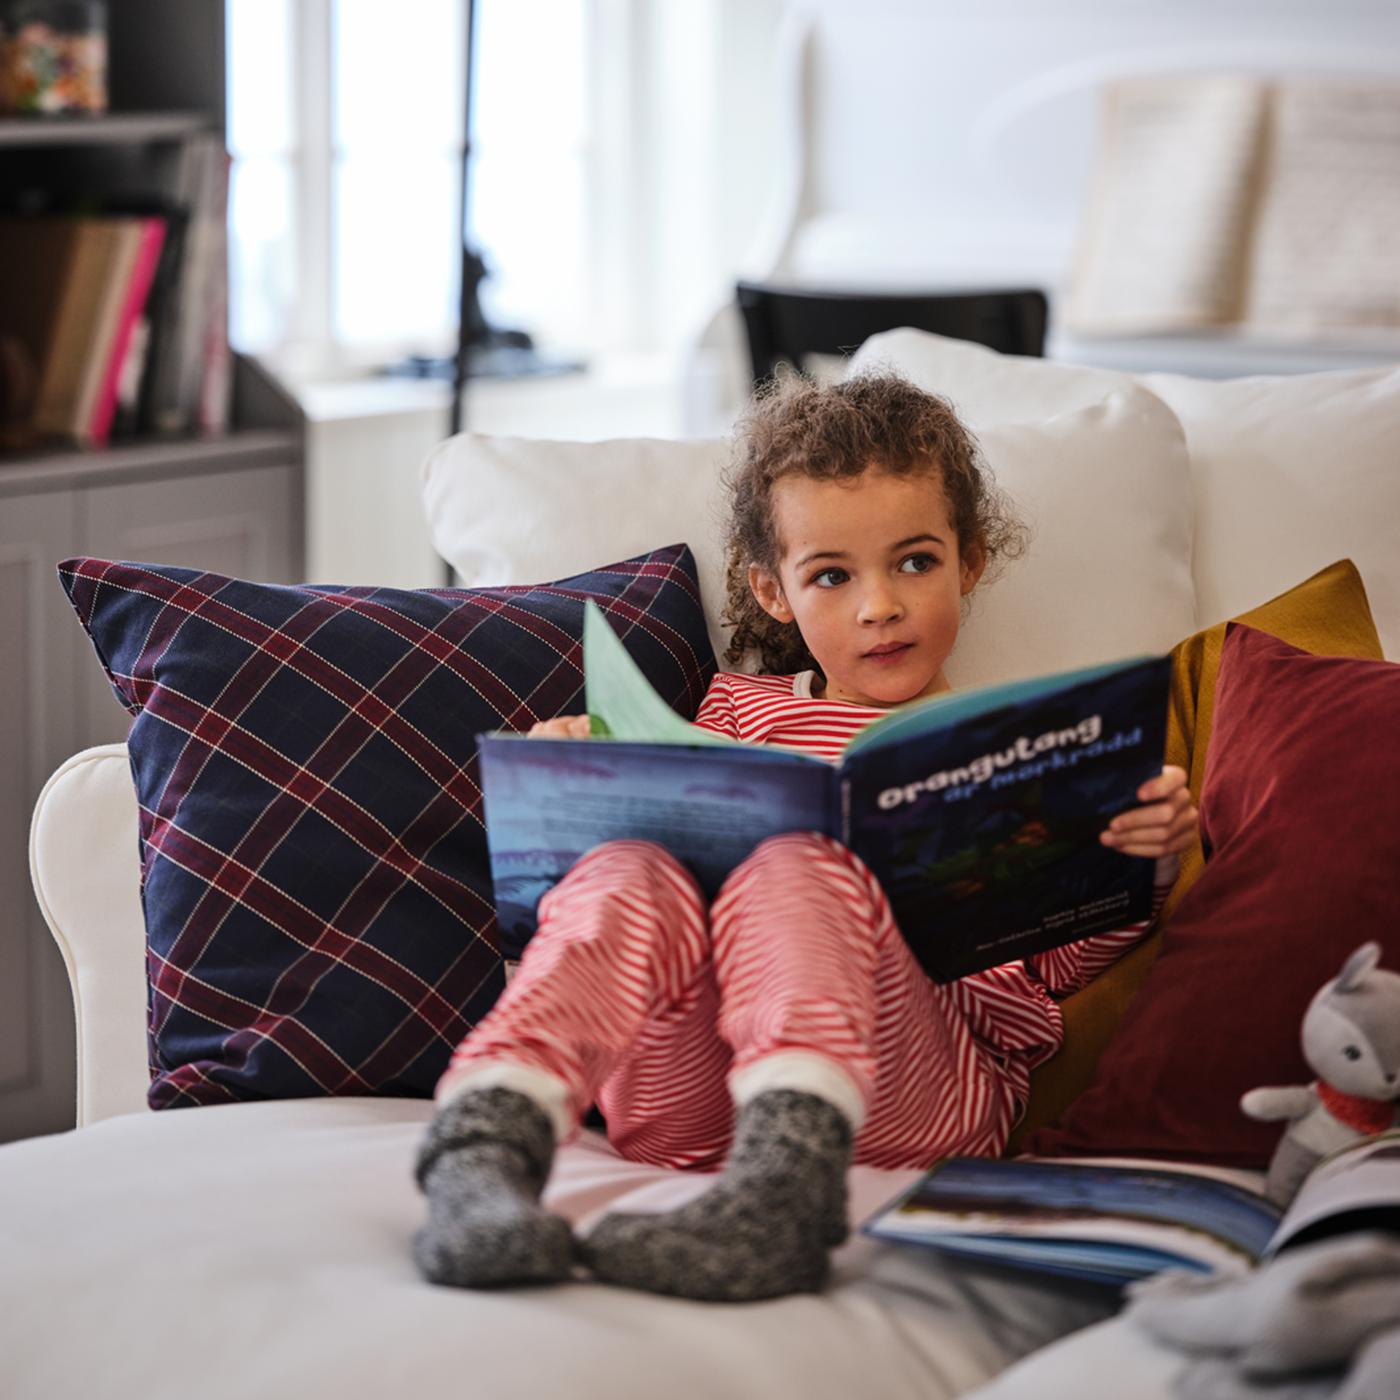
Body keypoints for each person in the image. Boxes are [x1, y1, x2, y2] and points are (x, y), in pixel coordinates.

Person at [411, 372, 1199, 1303]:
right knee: (629, 865)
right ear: (772, 591)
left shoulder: (1020, 747)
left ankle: (786, 1190)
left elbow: (1055, 963)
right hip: (685, 1097)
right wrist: (573, 789)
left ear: (971, 560)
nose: (880, 606)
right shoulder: (730, 714)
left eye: (915, 562)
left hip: (914, 1093)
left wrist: (1143, 856)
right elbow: (588, 919)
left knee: (800, 862)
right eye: (833, 575)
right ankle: (482, 1156)